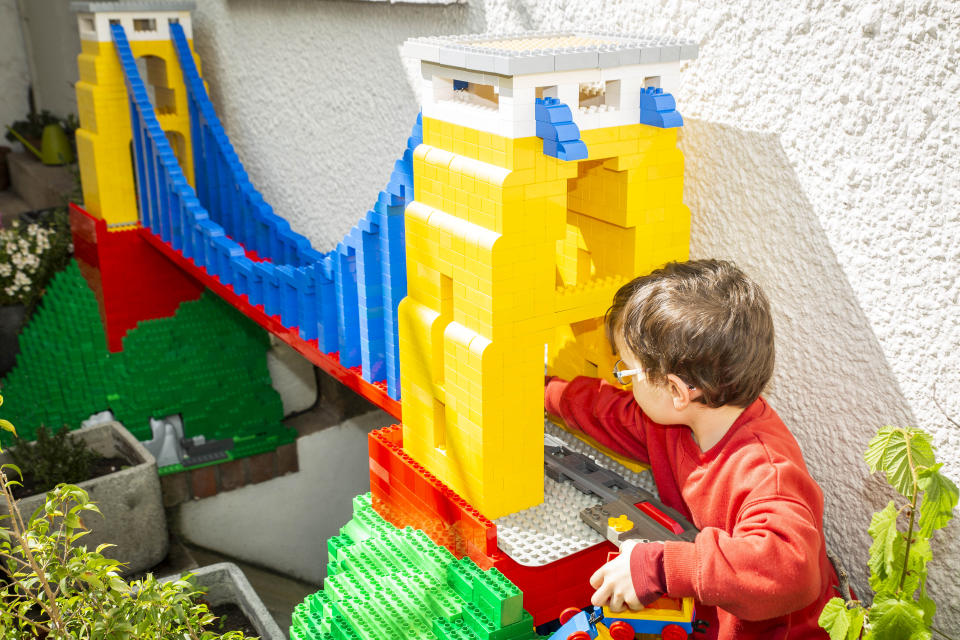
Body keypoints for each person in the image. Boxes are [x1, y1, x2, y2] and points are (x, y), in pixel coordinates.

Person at [544, 259, 839, 639]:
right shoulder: (677, 422)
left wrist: (661, 567)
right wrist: (545, 392)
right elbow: (610, 414)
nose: (620, 381)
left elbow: (789, 570)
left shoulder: (766, 472)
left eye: (626, 371)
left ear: (677, 391)